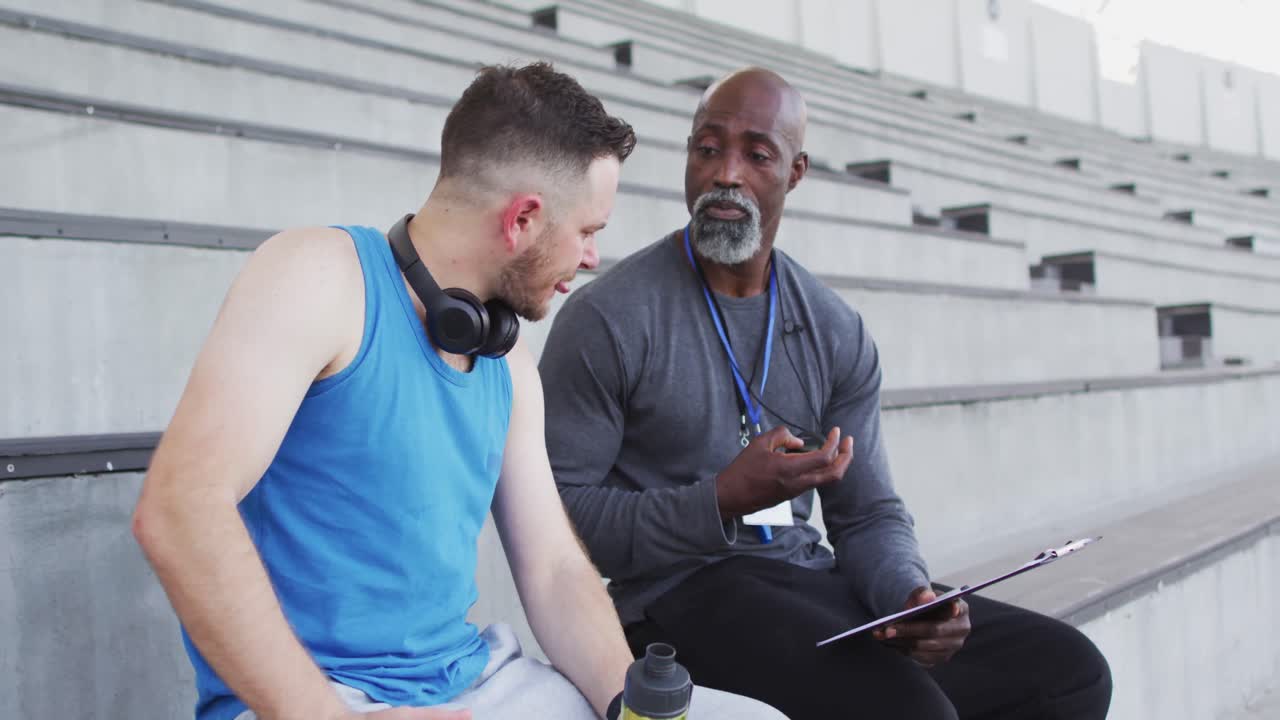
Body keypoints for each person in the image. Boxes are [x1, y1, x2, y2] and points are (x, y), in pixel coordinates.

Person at [132, 62, 785, 720]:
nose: (591, 259)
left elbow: (555, 568)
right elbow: (180, 510)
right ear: (523, 219)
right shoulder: (316, 278)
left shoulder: (509, 361)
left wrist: (631, 707)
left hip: (476, 684)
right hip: (316, 700)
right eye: (588, 232)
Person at [539, 67, 1114, 719]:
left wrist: (909, 597)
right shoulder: (609, 319)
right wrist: (721, 500)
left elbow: (866, 513)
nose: (726, 173)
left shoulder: (833, 329)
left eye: (757, 154)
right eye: (707, 148)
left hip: (805, 581)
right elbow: (561, 527)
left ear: (795, 172)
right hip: (675, 598)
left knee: (1068, 674)